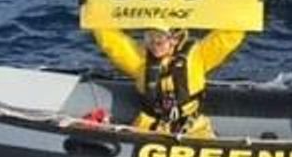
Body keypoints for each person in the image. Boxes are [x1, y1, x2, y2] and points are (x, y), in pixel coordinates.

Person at [92, 24, 246, 137]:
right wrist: (93, 12)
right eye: (149, 39)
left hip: (194, 127)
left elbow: (226, 39)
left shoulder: (197, 55)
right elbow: (113, 44)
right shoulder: (140, 59)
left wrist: (248, 10)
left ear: (175, 39)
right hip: (149, 126)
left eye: (159, 40)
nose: (154, 45)